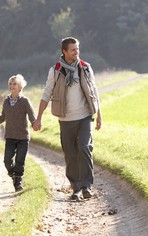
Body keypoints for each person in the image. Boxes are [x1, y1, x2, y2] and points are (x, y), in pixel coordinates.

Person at [33, 37, 102, 200]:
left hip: (85, 116)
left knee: (85, 148)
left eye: (77, 49)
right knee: (70, 153)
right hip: (65, 119)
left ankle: (87, 186)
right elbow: (46, 93)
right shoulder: (55, 70)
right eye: (73, 50)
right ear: (64, 52)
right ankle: (76, 188)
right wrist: (39, 118)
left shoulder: (85, 68)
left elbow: (94, 91)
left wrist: (99, 115)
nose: (76, 52)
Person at [0, 74, 36, 192]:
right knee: (7, 160)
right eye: (10, 83)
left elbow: (31, 114)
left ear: (20, 88)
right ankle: (13, 173)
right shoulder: (6, 101)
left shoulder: (24, 101)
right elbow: (2, 117)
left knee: (20, 160)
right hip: (10, 137)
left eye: (15, 84)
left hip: (23, 137)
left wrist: (34, 123)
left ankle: (18, 182)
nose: (12, 85)